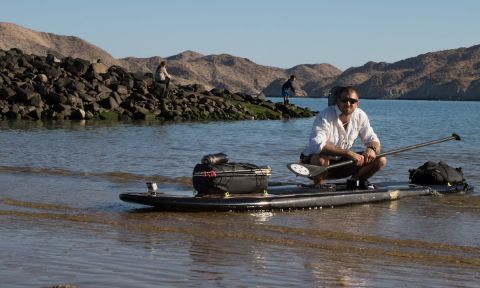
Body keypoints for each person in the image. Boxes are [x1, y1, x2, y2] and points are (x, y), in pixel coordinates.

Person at [301, 86, 387, 188]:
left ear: (357, 103)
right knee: (321, 160)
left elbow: (373, 140)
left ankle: (354, 183)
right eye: (344, 100)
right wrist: (349, 153)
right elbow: (316, 145)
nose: (348, 104)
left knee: (380, 160)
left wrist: (371, 149)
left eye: (352, 101)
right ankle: (319, 186)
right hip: (313, 165)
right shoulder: (325, 115)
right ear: (338, 101)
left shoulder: (361, 115)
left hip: (341, 163)